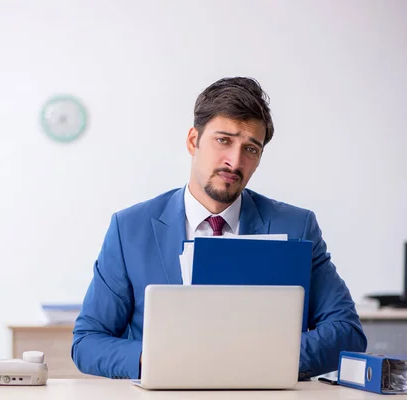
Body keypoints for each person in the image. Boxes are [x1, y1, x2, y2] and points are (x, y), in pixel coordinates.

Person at [71, 77, 367, 380]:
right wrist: (159, 359)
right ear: (192, 141)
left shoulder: (296, 226)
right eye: (223, 140)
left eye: (250, 149)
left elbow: (346, 333)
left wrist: (251, 360)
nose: (234, 161)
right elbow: (88, 341)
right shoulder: (129, 229)